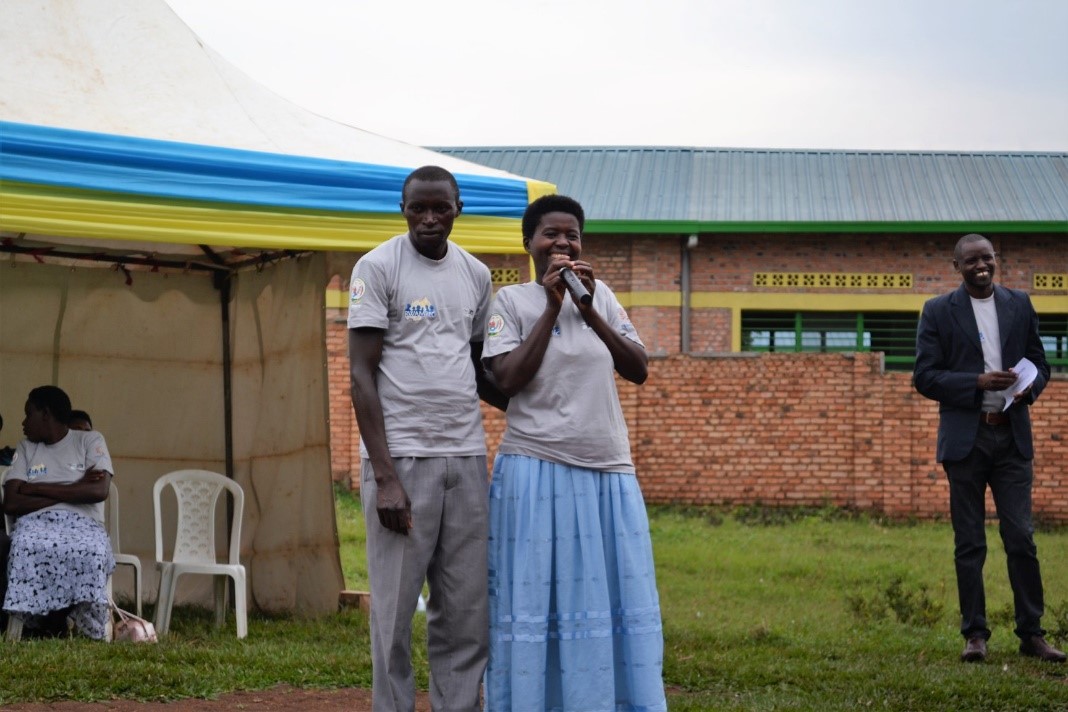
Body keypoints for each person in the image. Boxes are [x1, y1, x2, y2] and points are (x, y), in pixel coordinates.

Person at [482, 194, 667, 711]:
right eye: (550, 235)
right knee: (537, 601)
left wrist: (586, 307)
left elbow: (637, 368)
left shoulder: (601, 297)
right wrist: (551, 306)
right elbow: (509, 380)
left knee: (609, 601)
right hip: (534, 470)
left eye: (572, 236)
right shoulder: (511, 303)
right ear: (529, 244)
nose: (563, 243)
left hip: (607, 470)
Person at [347, 165, 507, 711]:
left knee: (464, 611)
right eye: (419, 207)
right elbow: (360, 376)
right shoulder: (377, 267)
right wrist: (386, 477)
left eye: (441, 207)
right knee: (393, 615)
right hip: (403, 462)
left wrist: (544, 401)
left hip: (465, 458)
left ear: (459, 207)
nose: (430, 218)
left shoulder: (477, 276)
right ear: (403, 209)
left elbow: (481, 367)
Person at [914, 233, 1063, 664]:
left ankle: (1032, 634)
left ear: (997, 260)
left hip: (1012, 437)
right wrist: (976, 383)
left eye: (987, 258)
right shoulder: (939, 311)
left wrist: (1026, 389)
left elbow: (1042, 362)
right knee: (969, 542)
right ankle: (975, 635)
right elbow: (925, 376)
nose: (981, 266)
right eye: (971, 261)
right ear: (956, 265)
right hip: (967, 439)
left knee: (1021, 538)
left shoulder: (1020, 304)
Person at [2, 385, 115, 639]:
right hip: (35, 524)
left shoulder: (90, 440)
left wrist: (35, 488)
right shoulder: (26, 448)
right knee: (24, 544)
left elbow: (98, 491)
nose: (23, 422)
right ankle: (44, 622)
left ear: (46, 414)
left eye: (28, 413)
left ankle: (62, 621)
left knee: (91, 548)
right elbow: (11, 502)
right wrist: (75, 488)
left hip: (84, 524)